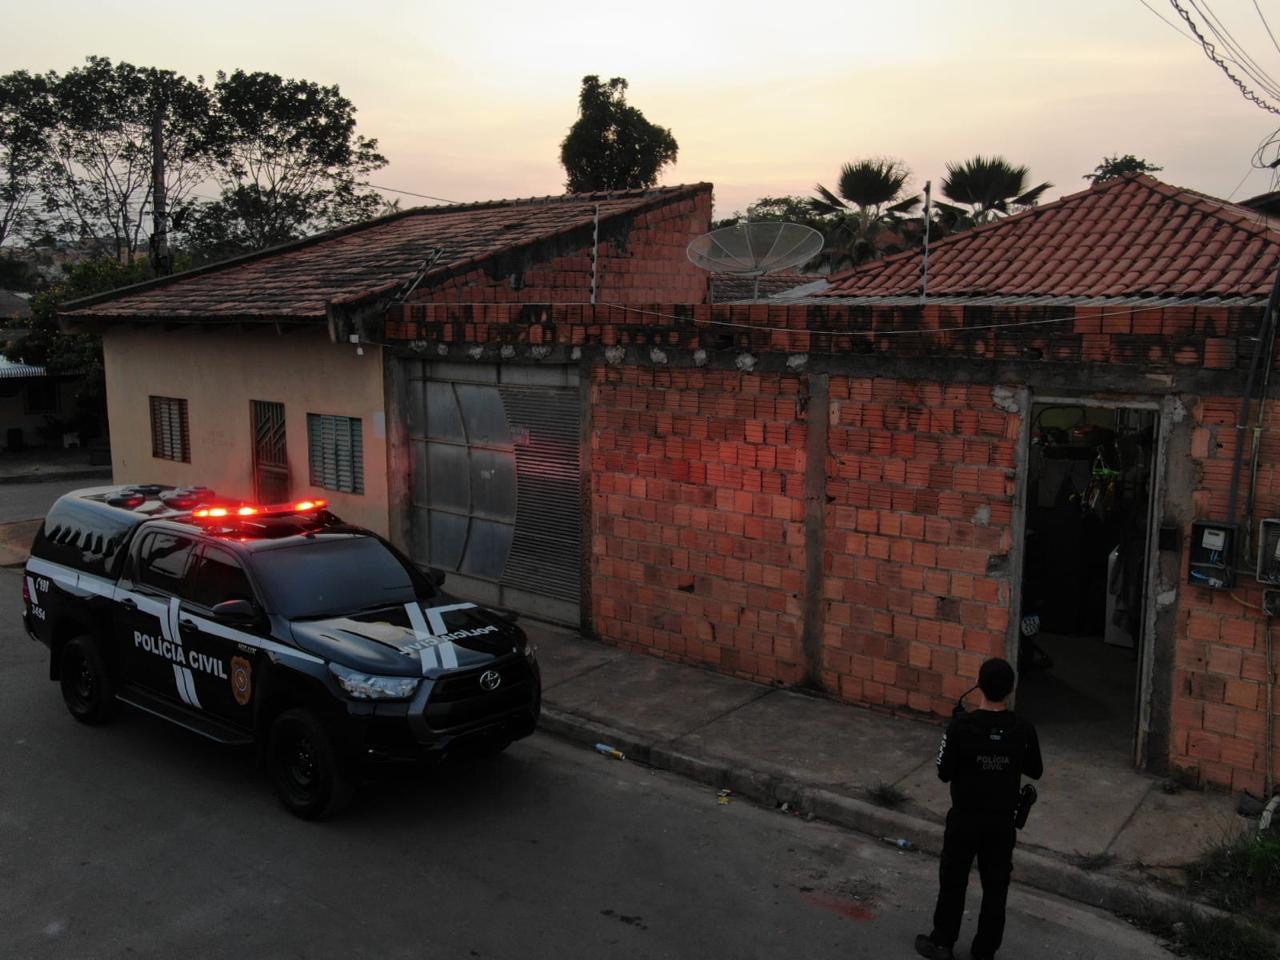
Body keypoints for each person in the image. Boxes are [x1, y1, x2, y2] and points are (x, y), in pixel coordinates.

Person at [915, 657, 1043, 960]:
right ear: (1010, 689)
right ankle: (984, 951)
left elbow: (943, 771)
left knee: (953, 880)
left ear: (979, 686)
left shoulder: (961, 726)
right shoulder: (1023, 728)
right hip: (1000, 823)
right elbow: (1035, 769)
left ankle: (943, 942)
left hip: (965, 819)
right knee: (996, 889)